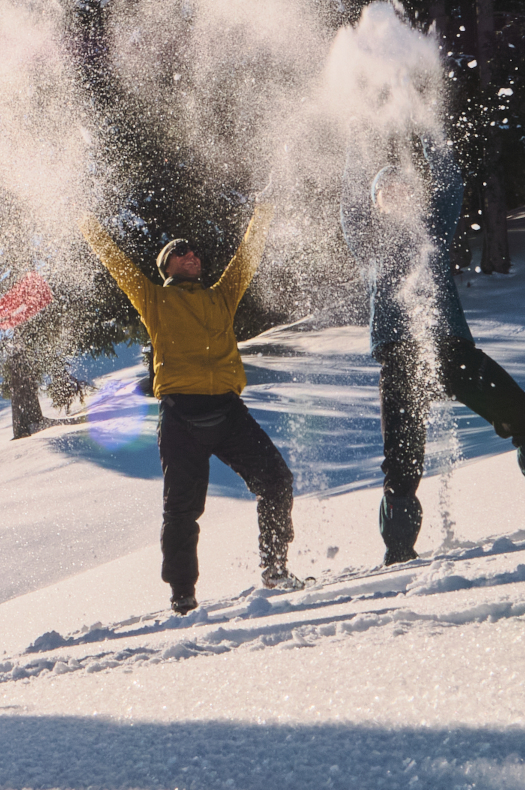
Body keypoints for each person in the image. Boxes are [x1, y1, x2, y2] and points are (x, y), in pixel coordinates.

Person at [80, 201, 299, 614]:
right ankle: (182, 594)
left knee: (276, 481)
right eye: (181, 251)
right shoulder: (153, 301)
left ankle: (275, 567)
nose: (192, 254)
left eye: (195, 250)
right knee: (181, 508)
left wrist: (265, 208)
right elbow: (116, 263)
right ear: (167, 266)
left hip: (229, 410)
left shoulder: (222, 297)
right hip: (181, 414)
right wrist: (84, 220)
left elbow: (247, 256)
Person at [341, 132, 525, 565]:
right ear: (377, 201)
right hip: (401, 356)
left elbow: (451, 184)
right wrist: (355, 144)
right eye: (386, 191)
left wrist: (430, 136)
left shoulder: (432, 229)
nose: (396, 195)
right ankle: (400, 553)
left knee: (519, 412)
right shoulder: (368, 243)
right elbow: (350, 208)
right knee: (401, 467)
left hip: (450, 350)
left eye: (404, 188)